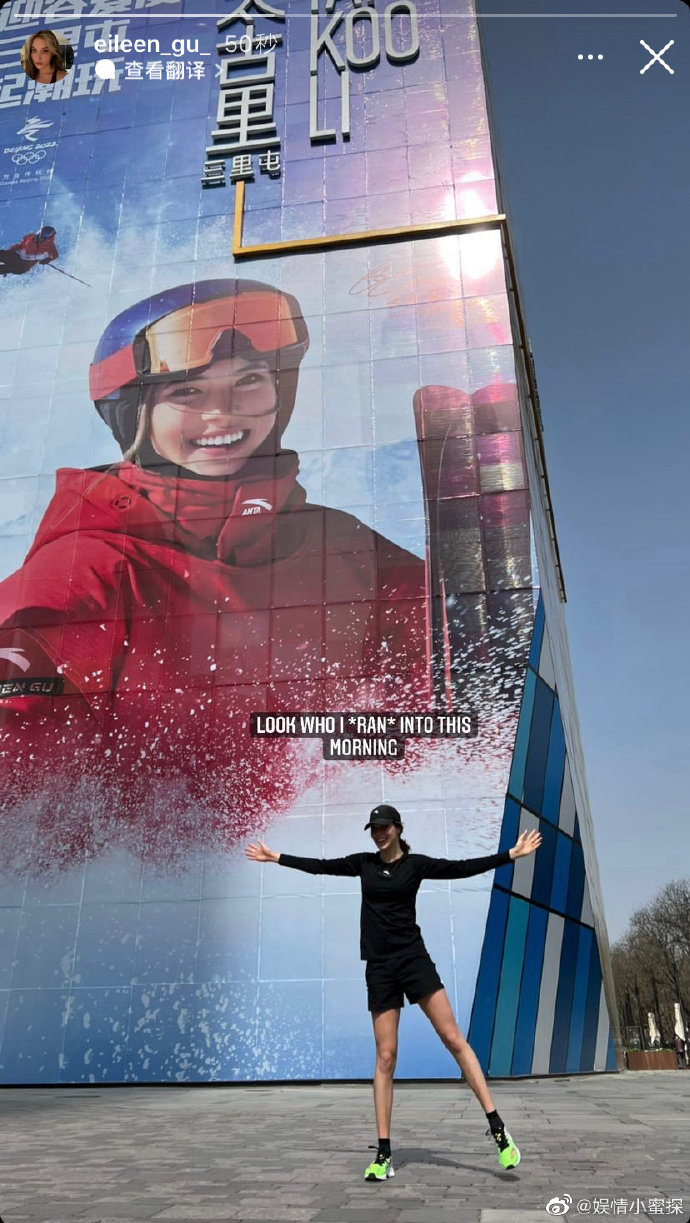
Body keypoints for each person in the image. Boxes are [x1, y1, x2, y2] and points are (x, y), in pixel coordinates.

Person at [0, 280, 428, 867]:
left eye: (249, 380)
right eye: (187, 391)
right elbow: (19, 731)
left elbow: (440, 689)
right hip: (140, 909)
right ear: (135, 416)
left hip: (317, 894)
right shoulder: (92, 564)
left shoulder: (342, 547)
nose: (221, 413)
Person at [245, 804, 542, 1181]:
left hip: (413, 961)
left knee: (453, 1039)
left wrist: (510, 855)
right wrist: (276, 857)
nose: (379, 833)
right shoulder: (363, 864)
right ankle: (384, 1153)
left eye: (385, 827)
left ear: (399, 829)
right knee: (386, 1056)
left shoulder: (415, 865)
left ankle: (498, 1128)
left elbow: (460, 867)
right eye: (374, 828)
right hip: (380, 967)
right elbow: (322, 865)